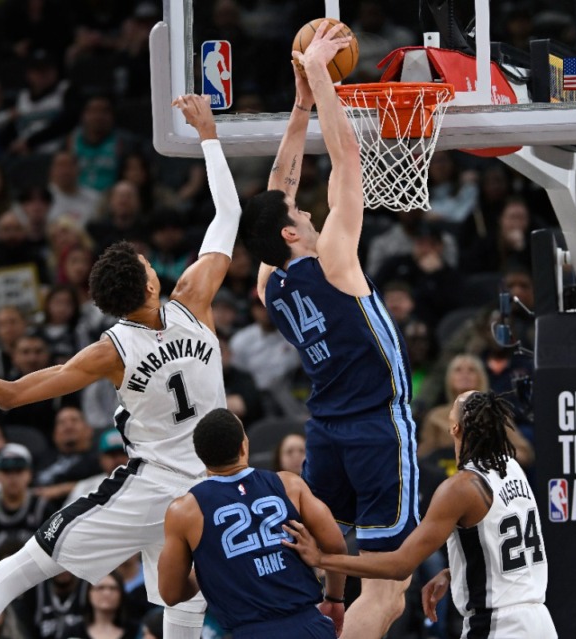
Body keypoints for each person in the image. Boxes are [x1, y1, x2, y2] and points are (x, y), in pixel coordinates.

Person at [0, 94, 243, 639]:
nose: (153, 264)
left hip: (153, 487)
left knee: (12, 573)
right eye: (148, 262)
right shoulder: (194, 299)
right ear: (150, 282)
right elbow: (229, 213)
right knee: (180, 597)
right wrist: (208, 135)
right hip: (206, 489)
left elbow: (9, 395)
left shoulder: (110, 350)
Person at [239, 22, 419, 636]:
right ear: (292, 234)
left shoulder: (270, 283)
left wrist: (300, 106)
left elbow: (276, 191)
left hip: (326, 430)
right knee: (389, 585)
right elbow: (348, 158)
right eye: (300, 214)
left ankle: (329, 615)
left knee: (331, 542)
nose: (309, 207)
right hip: (374, 424)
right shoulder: (336, 261)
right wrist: (318, 69)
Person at [283, 391, 557, 639]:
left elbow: (400, 566)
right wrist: (455, 572)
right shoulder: (511, 467)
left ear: (454, 427)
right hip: (540, 621)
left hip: (500, 625)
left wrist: (322, 558)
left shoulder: (461, 487)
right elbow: (505, 543)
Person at [158, 408, 346, 638]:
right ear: (243, 446)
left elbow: (170, 593)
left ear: (201, 456)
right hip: (308, 624)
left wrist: (209, 568)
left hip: (249, 631)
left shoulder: (184, 511)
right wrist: (334, 599)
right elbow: (336, 546)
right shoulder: (289, 484)